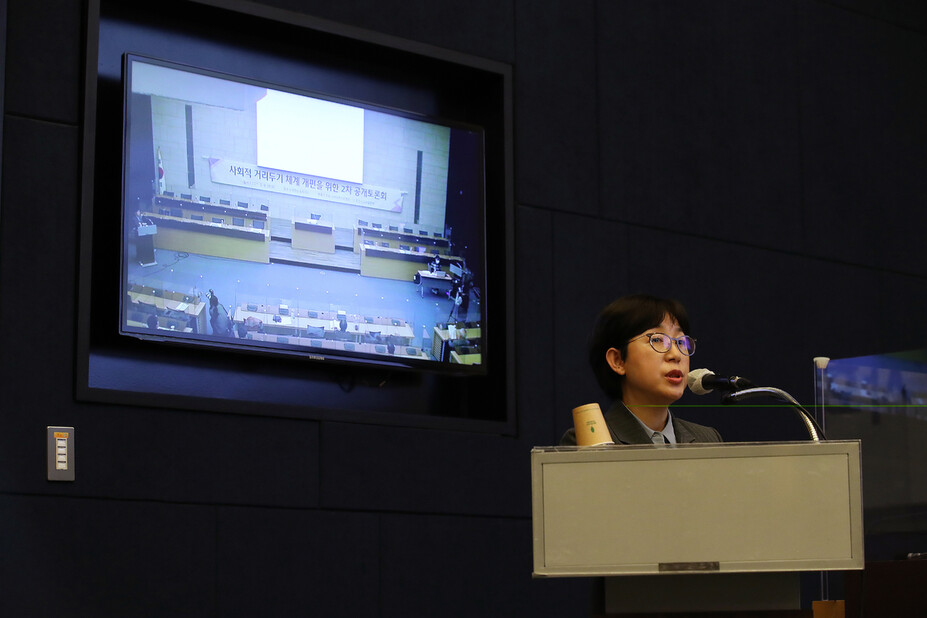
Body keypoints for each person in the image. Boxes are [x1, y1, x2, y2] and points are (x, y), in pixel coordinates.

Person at [560, 294, 721, 446]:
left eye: (681, 342)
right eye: (657, 339)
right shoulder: (590, 441)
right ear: (618, 361)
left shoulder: (707, 439)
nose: (676, 355)